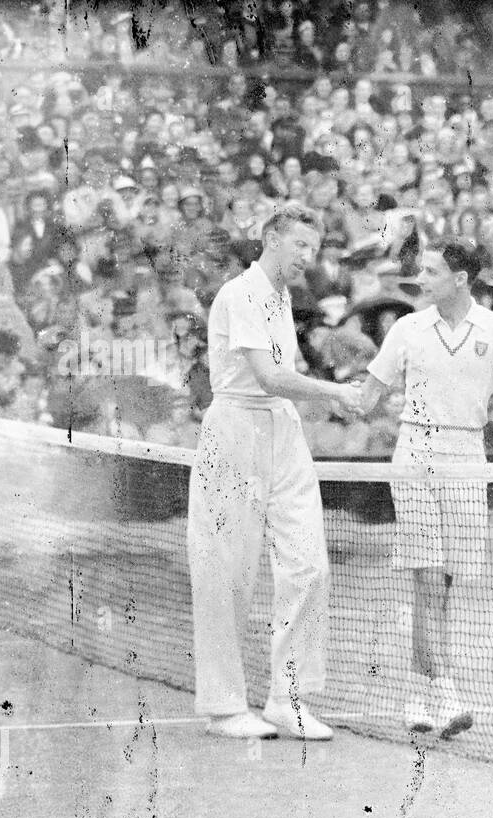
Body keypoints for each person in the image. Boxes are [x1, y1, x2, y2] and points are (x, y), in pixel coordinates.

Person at [340, 240, 493, 737]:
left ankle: (417, 692)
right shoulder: (408, 329)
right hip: (415, 455)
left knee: (441, 585)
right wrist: (299, 388)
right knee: (429, 579)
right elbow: (368, 397)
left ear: (461, 279)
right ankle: (449, 692)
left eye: (431, 272)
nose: (421, 280)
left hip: (467, 458)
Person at [187, 204, 358, 742]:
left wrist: (337, 397)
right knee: (227, 571)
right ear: (271, 239)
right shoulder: (240, 293)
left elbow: (286, 378)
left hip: (283, 433)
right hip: (235, 430)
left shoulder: (284, 298)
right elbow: (266, 375)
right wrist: (334, 392)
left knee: (308, 563)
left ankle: (289, 699)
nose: (308, 258)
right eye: (300, 246)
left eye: (315, 248)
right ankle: (223, 707)